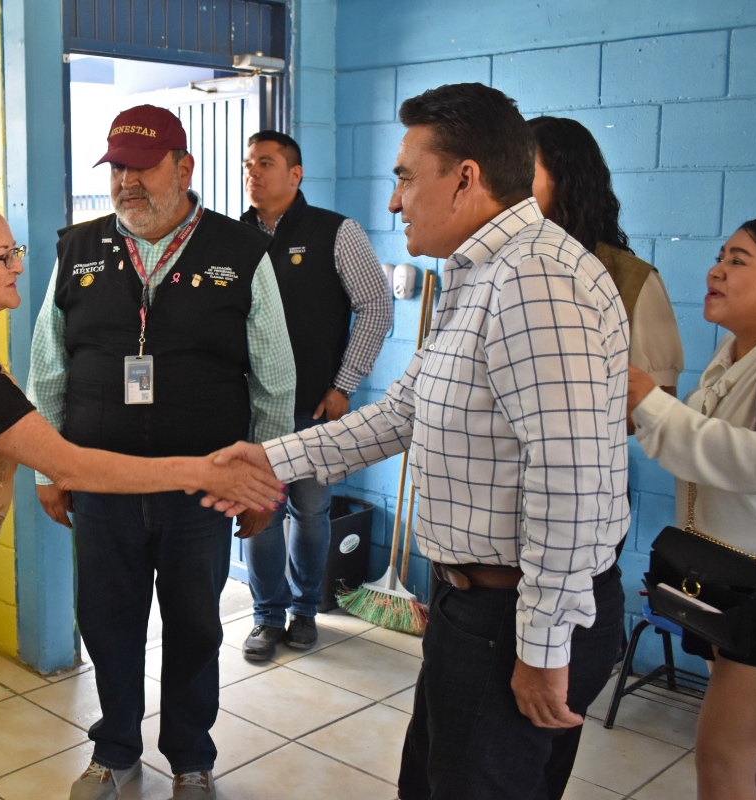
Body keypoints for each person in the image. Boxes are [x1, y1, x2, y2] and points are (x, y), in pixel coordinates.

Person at [208, 83, 629, 800]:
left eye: (405, 176)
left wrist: (543, 648)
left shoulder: (535, 282)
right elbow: (403, 413)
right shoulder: (480, 275)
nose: (395, 200)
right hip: (472, 607)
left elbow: (570, 485)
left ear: (465, 176)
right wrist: (270, 458)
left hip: (513, 616)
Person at [0, 197, 284, 800]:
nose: (17, 265)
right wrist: (205, 471)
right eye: (1, 255)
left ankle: (189, 758)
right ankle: (112, 746)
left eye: (14, 250)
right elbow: (70, 462)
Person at [27, 104, 297, 800]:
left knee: (196, 631)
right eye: (116, 167)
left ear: (184, 168)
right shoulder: (77, 249)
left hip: (202, 495)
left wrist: (265, 485)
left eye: (141, 168)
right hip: (102, 486)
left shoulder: (240, 253)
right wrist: (47, 470)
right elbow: (47, 371)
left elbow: (275, 378)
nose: (126, 183)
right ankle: (115, 751)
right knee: (107, 626)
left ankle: (190, 758)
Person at [629, 218, 756, 800]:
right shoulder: (735, 351)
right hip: (734, 582)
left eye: (739, 260)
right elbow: (697, 451)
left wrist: (652, 405)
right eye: (720, 255)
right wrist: (646, 411)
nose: (716, 269)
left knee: (721, 764)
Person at [238, 130, 393, 660]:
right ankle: (266, 616)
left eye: (265, 163)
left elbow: (376, 306)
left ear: (295, 174)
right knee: (260, 512)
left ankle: (305, 611)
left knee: (309, 511)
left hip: (312, 409)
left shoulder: (335, 231)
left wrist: (344, 384)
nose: (253, 173)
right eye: (247, 164)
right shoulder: (231, 238)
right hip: (251, 409)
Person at [529, 115, 683, 413]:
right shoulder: (492, 265)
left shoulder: (632, 280)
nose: (510, 189)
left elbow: (653, 406)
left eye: (525, 173)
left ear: (566, 180)